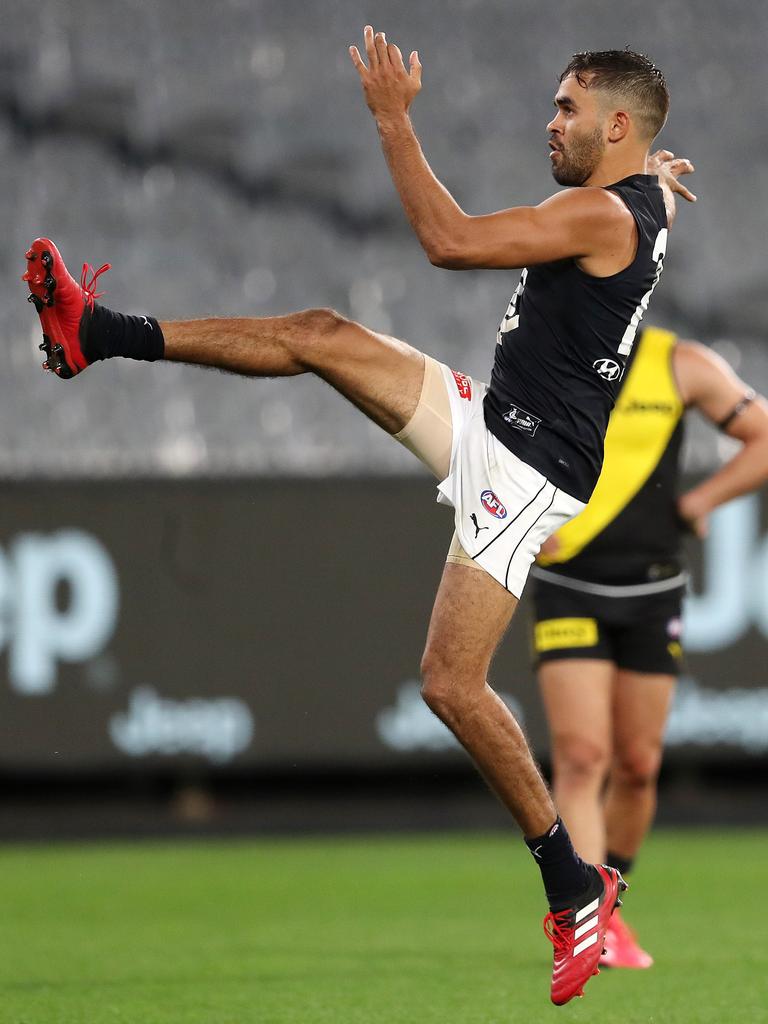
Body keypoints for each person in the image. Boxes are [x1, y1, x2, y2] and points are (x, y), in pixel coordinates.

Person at [22, 31, 695, 1004]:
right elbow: (645, 195)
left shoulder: (602, 214)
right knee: (319, 335)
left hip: (526, 468)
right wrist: (660, 174)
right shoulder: (648, 198)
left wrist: (390, 118)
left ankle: (572, 882)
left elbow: (449, 242)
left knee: (449, 684)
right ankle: (96, 333)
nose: (550, 123)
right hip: (489, 420)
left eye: (568, 110)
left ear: (618, 126)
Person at [529, 324, 768, 968]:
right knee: (582, 756)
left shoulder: (680, 364)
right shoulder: (549, 353)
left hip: (652, 590)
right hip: (566, 585)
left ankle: (608, 908)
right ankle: (581, 922)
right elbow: (488, 443)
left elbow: (764, 437)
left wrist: (703, 501)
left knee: (637, 765)